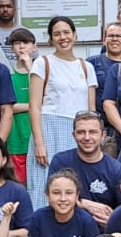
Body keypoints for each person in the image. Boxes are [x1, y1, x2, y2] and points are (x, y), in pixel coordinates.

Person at [24, 16, 98, 206]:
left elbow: (91, 110)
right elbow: (34, 106)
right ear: (50, 38)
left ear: (74, 35)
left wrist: (93, 136)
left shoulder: (86, 66)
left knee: (75, 180)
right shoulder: (42, 63)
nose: (62, 37)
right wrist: (39, 143)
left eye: (66, 32)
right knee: (46, 182)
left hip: (79, 131)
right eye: (57, 34)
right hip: (49, 129)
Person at [47, 111, 121, 226]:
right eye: (81, 132)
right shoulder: (61, 161)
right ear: (73, 135)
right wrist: (84, 204)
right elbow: (53, 198)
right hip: (67, 227)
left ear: (103, 135)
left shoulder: (115, 169)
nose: (87, 137)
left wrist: (113, 222)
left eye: (93, 132)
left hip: (102, 234)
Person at [6, 27, 37, 184]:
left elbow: (46, 99)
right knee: (19, 183)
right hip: (15, 139)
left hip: (37, 139)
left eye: (26, 42)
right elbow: (8, 107)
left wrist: (31, 68)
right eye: (17, 43)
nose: (22, 47)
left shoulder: (40, 71)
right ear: (12, 48)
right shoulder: (7, 74)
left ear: (34, 46)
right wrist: (33, 106)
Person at [87, 22, 121, 132]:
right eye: (110, 35)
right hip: (102, 126)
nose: (115, 39)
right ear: (104, 39)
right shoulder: (91, 63)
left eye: (119, 36)